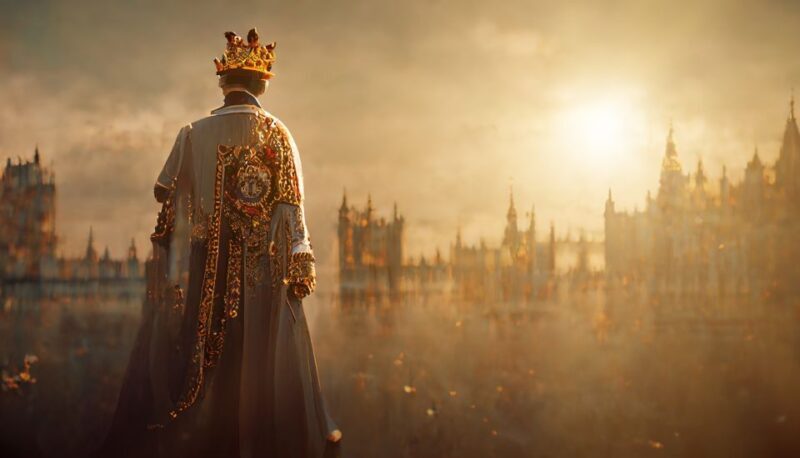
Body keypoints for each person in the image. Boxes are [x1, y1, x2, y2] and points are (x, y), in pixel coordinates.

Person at [95, 28, 341, 458]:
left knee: (205, 396)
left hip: (203, 285)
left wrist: (168, 295)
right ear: (261, 85)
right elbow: (296, 226)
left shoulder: (192, 134)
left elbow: (167, 220)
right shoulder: (280, 136)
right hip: (264, 287)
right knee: (262, 388)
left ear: (223, 85)